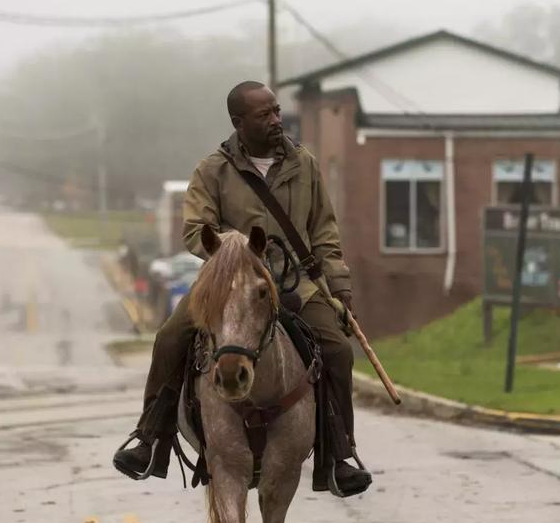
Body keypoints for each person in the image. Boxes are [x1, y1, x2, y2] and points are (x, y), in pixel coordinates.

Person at [113, 81, 371, 496]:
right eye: (263, 115)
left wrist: (339, 288)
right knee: (169, 337)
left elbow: (324, 231)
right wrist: (236, 251)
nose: (274, 120)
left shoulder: (304, 164)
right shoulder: (212, 169)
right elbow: (197, 231)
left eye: (275, 110)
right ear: (238, 122)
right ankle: (150, 439)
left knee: (338, 350)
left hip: (297, 285)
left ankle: (339, 455)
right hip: (230, 281)